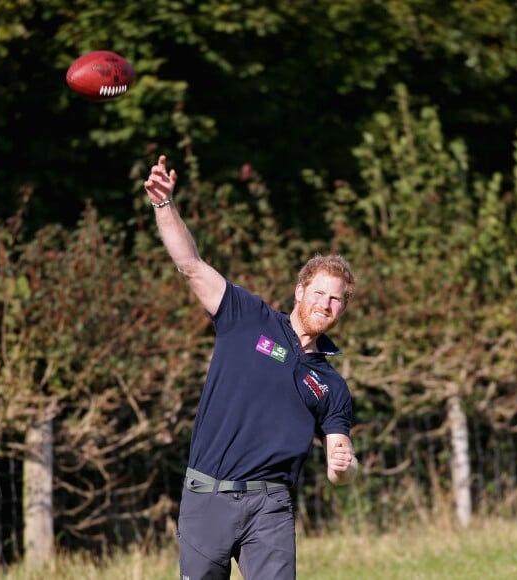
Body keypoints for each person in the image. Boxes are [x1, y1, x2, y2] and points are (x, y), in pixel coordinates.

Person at [144, 155, 358, 580]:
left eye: (336, 299)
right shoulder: (247, 316)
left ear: (343, 309)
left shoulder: (331, 384)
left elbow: (343, 465)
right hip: (207, 496)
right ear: (299, 290)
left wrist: (344, 465)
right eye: (318, 293)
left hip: (270, 506)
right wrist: (164, 205)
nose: (325, 304)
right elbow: (191, 265)